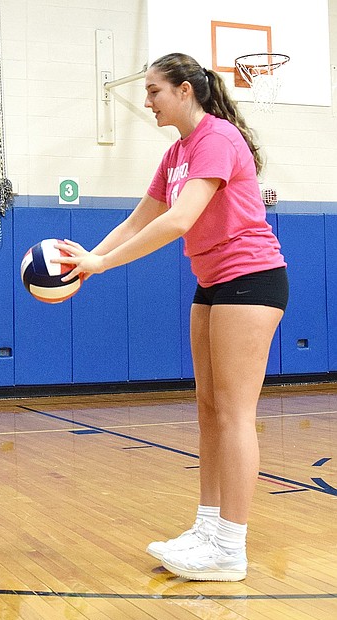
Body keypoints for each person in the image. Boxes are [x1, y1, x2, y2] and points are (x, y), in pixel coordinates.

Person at [52, 53, 288, 582]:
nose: (147, 100)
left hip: (250, 278)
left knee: (234, 413)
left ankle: (230, 545)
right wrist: (86, 261)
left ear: (185, 91)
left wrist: (104, 263)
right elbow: (142, 216)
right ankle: (207, 528)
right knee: (208, 410)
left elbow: (181, 220)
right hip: (212, 282)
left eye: (155, 90)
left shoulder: (219, 138)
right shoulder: (177, 153)